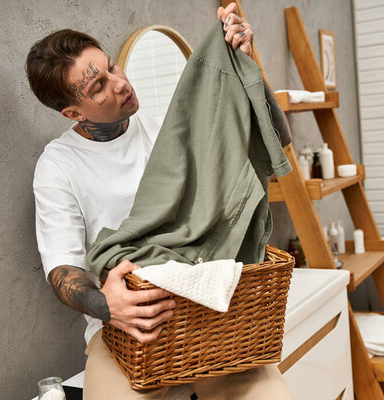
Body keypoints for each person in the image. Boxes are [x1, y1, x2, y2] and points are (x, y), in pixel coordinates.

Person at [26, 4, 294, 399]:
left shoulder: (164, 130)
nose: (119, 83)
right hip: (128, 332)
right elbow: (63, 273)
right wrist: (107, 305)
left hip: (212, 317)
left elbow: (278, 138)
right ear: (72, 111)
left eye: (113, 67)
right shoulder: (57, 167)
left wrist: (245, 65)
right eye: (97, 86)